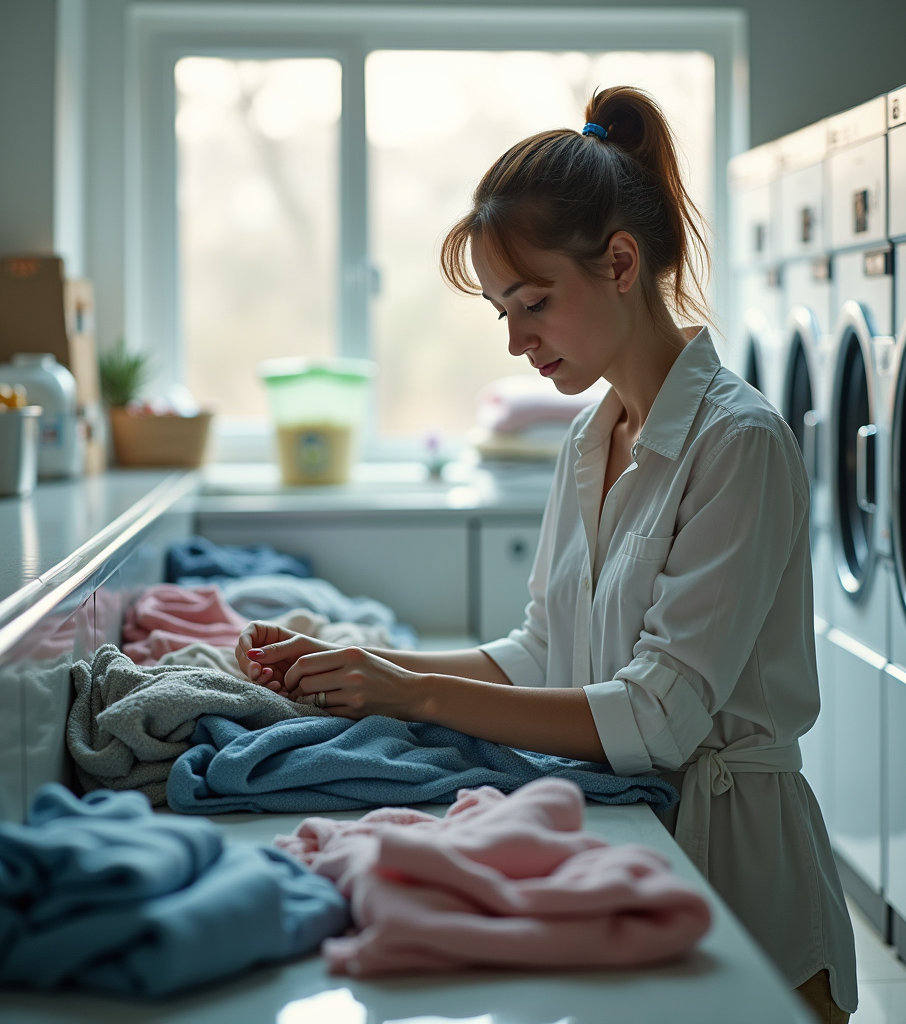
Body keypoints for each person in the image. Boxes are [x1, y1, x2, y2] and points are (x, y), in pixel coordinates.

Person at [235, 86, 857, 1022]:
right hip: (621, 841)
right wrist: (363, 667)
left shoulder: (740, 444)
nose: (518, 339)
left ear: (618, 263)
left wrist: (411, 692)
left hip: (741, 870)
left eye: (532, 303)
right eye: (502, 312)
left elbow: (660, 715)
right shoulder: (591, 436)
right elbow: (542, 652)